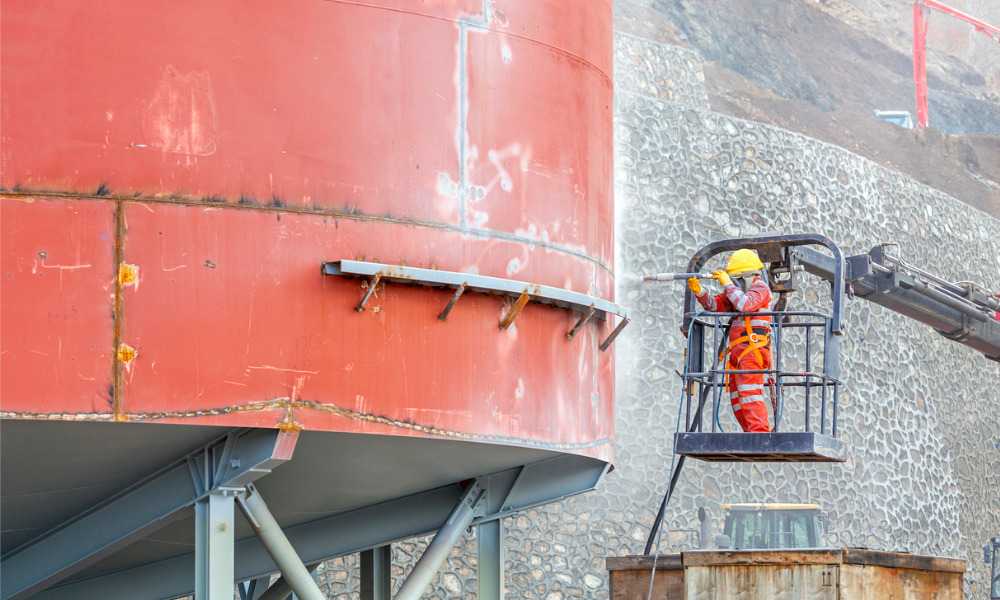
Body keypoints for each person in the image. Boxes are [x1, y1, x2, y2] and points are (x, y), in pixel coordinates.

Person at [688, 249, 773, 433]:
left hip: (753, 350)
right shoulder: (737, 293)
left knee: (749, 392)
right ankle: (749, 431)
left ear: (748, 276)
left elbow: (746, 305)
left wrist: (728, 284)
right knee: (737, 396)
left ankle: (759, 432)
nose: (734, 285)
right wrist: (700, 292)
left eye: (737, 281)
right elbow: (716, 305)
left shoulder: (760, 288)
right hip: (738, 352)